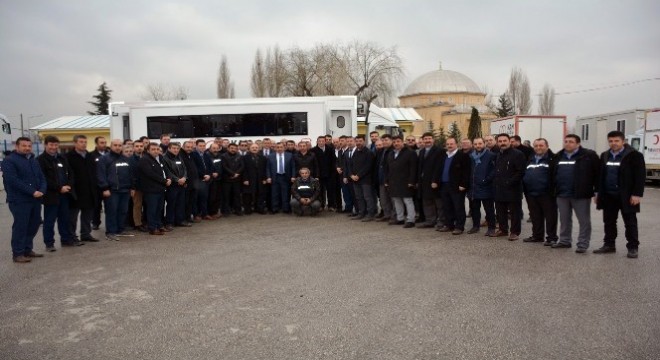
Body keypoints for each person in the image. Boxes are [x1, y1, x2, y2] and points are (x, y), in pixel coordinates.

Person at [594, 131, 645, 258]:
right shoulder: (605, 155)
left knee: (630, 222)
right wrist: (597, 192)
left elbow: (640, 176)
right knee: (609, 222)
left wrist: (636, 194)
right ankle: (609, 245)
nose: (613, 143)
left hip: (627, 196)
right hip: (608, 195)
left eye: (616, 141)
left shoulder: (634, 155)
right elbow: (600, 175)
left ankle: (633, 247)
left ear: (623, 141)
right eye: (611, 141)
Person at [551, 134, 600, 253]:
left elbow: (598, 174)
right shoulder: (558, 156)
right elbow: (553, 174)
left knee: (584, 221)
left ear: (578, 144)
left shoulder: (588, 155)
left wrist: (597, 191)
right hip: (562, 194)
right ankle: (564, 241)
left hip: (581, 194)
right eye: (566, 141)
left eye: (571, 142)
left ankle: (582, 244)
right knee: (564, 220)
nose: (567, 144)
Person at [3, 137, 47, 263]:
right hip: (19, 200)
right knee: (21, 226)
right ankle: (18, 253)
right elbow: (13, 180)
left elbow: (41, 177)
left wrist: (42, 190)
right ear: (17, 147)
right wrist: (32, 191)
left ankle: (28, 249)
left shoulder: (33, 160)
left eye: (29, 146)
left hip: (36, 199)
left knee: (34, 224)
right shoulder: (9, 160)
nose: (27, 148)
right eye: (24, 146)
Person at [37, 135, 78, 251]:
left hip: (65, 195)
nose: (53, 147)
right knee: (49, 221)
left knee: (64, 219)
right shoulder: (41, 160)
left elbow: (70, 173)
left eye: (55, 145)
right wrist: (59, 188)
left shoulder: (62, 158)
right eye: (51, 145)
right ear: (45, 145)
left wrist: (69, 185)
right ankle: (49, 244)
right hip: (51, 196)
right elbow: (43, 178)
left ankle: (65, 240)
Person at [522, 138, 558, 245]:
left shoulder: (553, 159)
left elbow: (556, 176)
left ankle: (551, 238)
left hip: (547, 193)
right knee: (535, 216)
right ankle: (537, 236)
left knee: (550, 217)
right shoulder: (531, 158)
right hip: (531, 193)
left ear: (547, 146)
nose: (538, 148)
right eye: (536, 146)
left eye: (541, 145)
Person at [97, 139, 134, 241]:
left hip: (125, 190)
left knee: (123, 211)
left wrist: (132, 187)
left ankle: (120, 229)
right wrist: (104, 188)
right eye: (115, 145)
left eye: (119, 145)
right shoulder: (104, 159)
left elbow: (130, 174)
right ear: (111, 146)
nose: (117, 147)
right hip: (112, 191)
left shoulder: (125, 159)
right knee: (112, 211)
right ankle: (111, 232)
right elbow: (101, 175)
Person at [66, 135, 100, 243]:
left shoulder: (90, 156)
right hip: (75, 191)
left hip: (89, 190)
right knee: (72, 217)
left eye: (85, 142)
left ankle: (86, 234)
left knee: (87, 215)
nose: (84, 144)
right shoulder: (68, 156)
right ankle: (71, 236)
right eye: (81, 142)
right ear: (75, 143)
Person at [433, 138, 471, 235]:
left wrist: (463, 184)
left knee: (458, 207)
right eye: (448, 144)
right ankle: (449, 225)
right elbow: (437, 169)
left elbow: (466, 172)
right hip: (444, 185)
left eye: (451, 144)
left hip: (456, 186)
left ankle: (459, 227)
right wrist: (435, 181)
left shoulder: (463, 156)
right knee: (447, 206)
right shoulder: (443, 156)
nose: (449, 145)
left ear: (456, 144)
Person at [493, 134, 527, 240]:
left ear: (509, 141)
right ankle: (503, 230)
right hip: (499, 188)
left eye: (504, 140)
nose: (502, 143)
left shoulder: (518, 154)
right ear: (497, 143)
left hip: (513, 189)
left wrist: (509, 182)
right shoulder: (498, 154)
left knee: (514, 212)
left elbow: (520, 172)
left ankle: (515, 232)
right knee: (500, 211)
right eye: (500, 141)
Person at [385, 136, 418, 228]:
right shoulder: (391, 153)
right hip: (393, 181)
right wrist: (387, 180)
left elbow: (413, 168)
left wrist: (412, 181)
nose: (396, 143)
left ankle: (411, 220)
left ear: (403, 142)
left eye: (398, 141)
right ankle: (400, 218)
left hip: (406, 181)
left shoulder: (410, 153)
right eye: (394, 142)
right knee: (396, 200)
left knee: (408, 200)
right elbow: (388, 168)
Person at [139, 143, 172, 235]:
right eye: (153, 149)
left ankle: (159, 225)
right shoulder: (144, 160)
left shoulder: (160, 158)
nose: (156, 151)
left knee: (159, 209)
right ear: (148, 150)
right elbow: (150, 174)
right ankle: (152, 228)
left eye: (157, 149)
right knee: (152, 209)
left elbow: (166, 169)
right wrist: (164, 181)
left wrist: (169, 178)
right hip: (151, 189)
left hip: (161, 188)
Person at [467, 137, 497, 235]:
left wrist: (486, 180)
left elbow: (494, 170)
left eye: (480, 143)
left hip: (486, 187)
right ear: (473, 145)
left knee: (489, 209)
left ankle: (491, 228)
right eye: (475, 144)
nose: (477, 146)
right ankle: (476, 226)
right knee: (475, 209)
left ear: (484, 144)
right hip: (473, 187)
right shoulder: (471, 156)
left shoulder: (491, 155)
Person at [347, 135, 376, 221]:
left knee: (367, 197)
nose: (358, 143)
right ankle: (361, 213)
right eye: (357, 141)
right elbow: (351, 165)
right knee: (359, 197)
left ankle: (370, 214)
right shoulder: (355, 152)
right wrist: (351, 175)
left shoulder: (369, 153)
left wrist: (358, 175)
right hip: (355, 180)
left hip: (366, 180)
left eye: (360, 141)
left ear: (364, 141)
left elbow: (368, 166)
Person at [417, 132, 443, 229]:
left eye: (429, 138)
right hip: (424, 182)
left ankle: (441, 221)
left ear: (433, 140)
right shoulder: (422, 151)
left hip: (434, 182)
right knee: (427, 202)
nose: (427, 140)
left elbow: (439, 167)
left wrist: (435, 180)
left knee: (438, 203)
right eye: (425, 139)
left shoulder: (439, 151)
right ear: (423, 140)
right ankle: (430, 221)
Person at [162, 142, 189, 229]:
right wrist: (177, 180)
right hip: (172, 185)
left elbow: (184, 168)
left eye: (177, 148)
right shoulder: (164, 158)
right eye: (174, 148)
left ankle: (180, 220)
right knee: (171, 204)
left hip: (181, 184)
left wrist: (184, 177)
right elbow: (167, 171)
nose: (176, 150)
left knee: (180, 203)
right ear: (169, 148)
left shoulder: (179, 157)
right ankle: (169, 222)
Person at [266, 142, 295, 213]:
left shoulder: (290, 155)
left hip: (285, 177)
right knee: (274, 194)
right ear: (275, 148)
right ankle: (275, 208)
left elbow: (293, 167)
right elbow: (268, 168)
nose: (279, 149)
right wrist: (268, 177)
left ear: (284, 148)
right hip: (275, 177)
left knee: (285, 194)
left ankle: (286, 209)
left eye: (281, 147)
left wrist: (293, 176)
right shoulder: (270, 156)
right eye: (278, 147)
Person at [311, 136, 336, 211]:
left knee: (330, 190)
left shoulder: (330, 149)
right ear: (317, 142)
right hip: (319, 175)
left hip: (329, 174)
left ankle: (331, 206)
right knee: (320, 191)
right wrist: (316, 175)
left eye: (323, 141)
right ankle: (321, 205)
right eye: (319, 141)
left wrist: (333, 172)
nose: (321, 142)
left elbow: (333, 161)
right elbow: (313, 164)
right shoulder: (313, 150)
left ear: (325, 142)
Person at [242, 143, 268, 214]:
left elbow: (265, 169)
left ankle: (259, 208)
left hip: (260, 179)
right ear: (249, 149)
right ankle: (248, 209)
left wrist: (265, 178)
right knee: (248, 195)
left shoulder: (263, 158)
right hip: (249, 179)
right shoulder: (245, 157)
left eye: (256, 147)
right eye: (253, 147)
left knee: (260, 194)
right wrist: (245, 179)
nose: (254, 149)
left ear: (259, 149)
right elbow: (243, 169)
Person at [221, 143, 244, 216]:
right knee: (226, 196)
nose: (233, 149)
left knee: (237, 196)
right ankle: (226, 211)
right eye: (231, 148)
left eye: (234, 148)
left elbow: (242, 166)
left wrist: (236, 174)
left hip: (237, 180)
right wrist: (233, 174)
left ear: (237, 149)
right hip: (227, 180)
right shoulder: (223, 156)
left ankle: (238, 210)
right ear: (228, 148)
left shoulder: (240, 156)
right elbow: (224, 167)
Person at [90, 136, 107, 230]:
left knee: (109, 206)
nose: (104, 144)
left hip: (107, 185)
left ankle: (110, 224)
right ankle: (95, 222)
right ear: (96, 144)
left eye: (105, 142)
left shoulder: (109, 154)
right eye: (101, 142)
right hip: (96, 186)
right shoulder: (91, 155)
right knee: (96, 205)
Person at [375, 134, 394, 222]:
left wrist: (389, 179)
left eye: (386, 140)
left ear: (391, 141)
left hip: (390, 179)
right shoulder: (381, 151)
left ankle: (394, 216)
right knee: (383, 199)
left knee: (392, 199)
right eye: (383, 140)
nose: (384, 142)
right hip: (381, 179)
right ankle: (387, 215)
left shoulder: (393, 151)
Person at [192, 139, 212, 221]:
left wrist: (209, 175)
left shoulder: (206, 154)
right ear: (196, 146)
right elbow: (194, 167)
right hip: (197, 180)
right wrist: (203, 175)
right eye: (200, 146)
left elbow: (211, 166)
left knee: (204, 197)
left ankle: (204, 213)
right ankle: (196, 214)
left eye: (204, 146)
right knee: (196, 198)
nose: (202, 147)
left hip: (206, 179)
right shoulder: (193, 155)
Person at [129, 140, 146, 232]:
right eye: (137, 146)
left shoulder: (146, 157)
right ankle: (138, 224)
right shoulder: (131, 160)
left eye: (141, 146)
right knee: (137, 206)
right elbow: (131, 174)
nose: (139, 148)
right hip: (137, 187)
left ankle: (144, 221)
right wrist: (133, 187)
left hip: (147, 186)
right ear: (133, 148)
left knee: (146, 205)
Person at [181, 141, 200, 224]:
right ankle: (184, 218)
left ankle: (189, 216)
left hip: (194, 182)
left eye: (191, 147)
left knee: (192, 201)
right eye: (187, 147)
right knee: (185, 202)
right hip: (186, 183)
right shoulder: (181, 155)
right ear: (183, 147)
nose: (189, 149)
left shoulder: (192, 155)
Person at [205, 143, 223, 219]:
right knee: (211, 197)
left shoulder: (220, 156)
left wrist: (218, 173)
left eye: (216, 148)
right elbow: (205, 167)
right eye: (213, 148)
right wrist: (212, 173)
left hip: (219, 179)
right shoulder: (206, 156)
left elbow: (222, 166)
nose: (215, 150)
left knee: (217, 197)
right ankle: (210, 213)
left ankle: (215, 212)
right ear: (210, 148)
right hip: (210, 180)